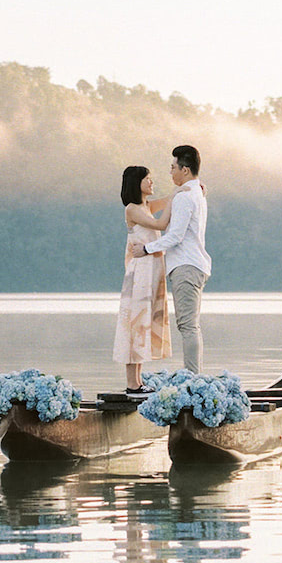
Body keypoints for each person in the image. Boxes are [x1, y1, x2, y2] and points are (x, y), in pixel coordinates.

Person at [131, 145, 210, 372]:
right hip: (193, 264)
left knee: (188, 325)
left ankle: (193, 377)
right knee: (190, 325)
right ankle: (194, 375)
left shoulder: (186, 197)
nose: (170, 172)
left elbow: (175, 236)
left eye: (173, 167)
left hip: (186, 266)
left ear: (185, 170)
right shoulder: (195, 193)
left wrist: (146, 249)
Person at [114, 165, 173, 391]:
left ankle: (138, 382)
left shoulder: (146, 206)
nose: (151, 182)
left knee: (142, 325)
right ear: (136, 183)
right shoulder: (132, 209)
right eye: (147, 179)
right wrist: (176, 199)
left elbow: (168, 201)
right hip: (140, 274)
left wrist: (189, 190)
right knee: (135, 325)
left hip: (151, 272)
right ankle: (132, 384)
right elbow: (161, 224)